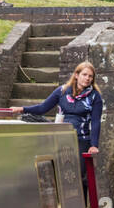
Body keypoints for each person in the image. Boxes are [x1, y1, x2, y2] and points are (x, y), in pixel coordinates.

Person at [20, 61, 102, 197]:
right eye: (84, 75)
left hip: (81, 139)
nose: (87, 78)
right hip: (61, 138)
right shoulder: (62, 91)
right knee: (58, 174)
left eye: (90, 76)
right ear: (76, 75)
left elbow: (96, 121)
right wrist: (22, 109)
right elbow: (42, 108)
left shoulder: (95, 96)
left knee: (80, 176)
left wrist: (94, 145)